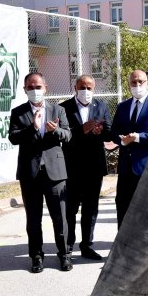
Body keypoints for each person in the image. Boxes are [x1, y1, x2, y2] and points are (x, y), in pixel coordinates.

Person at [8, 72, 72, 272]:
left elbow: (68, 135)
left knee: (59, 217)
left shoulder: (58, 110)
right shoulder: (18, 112)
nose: (35, 90)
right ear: (25, 90)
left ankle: (64, 255)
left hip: (55, 172)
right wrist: (33, 128)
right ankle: (36, 257)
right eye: (30, 87)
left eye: (38, 87)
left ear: (46, 88)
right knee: (33, 218)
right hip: (31, 173)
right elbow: (13, 137)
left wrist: (55, 131)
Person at [60, 74, 112, 260]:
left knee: (91, 208)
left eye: (89, 88)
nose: (86, 91)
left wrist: (101, 132)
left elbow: (109, 133)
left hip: (94, 167)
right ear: (75, 88)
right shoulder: (64, 107)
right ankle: (68, 247)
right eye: (82, 87)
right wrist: (80, 131)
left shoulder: (102, 106)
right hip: (72, 166)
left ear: (94, 88)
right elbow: (62, 135)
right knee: (71, 208)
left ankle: (87, 245)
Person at [111, 69, 148, 227]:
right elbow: (114, 131)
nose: (137, 85)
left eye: (140, 82)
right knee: (122, 205)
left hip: (146, 166)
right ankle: (121, 245)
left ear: (147, 83)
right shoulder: (123, 106)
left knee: (146, 208)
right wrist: (122, 140)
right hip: (125, 168)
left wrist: (138, 137)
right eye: (133, 82)